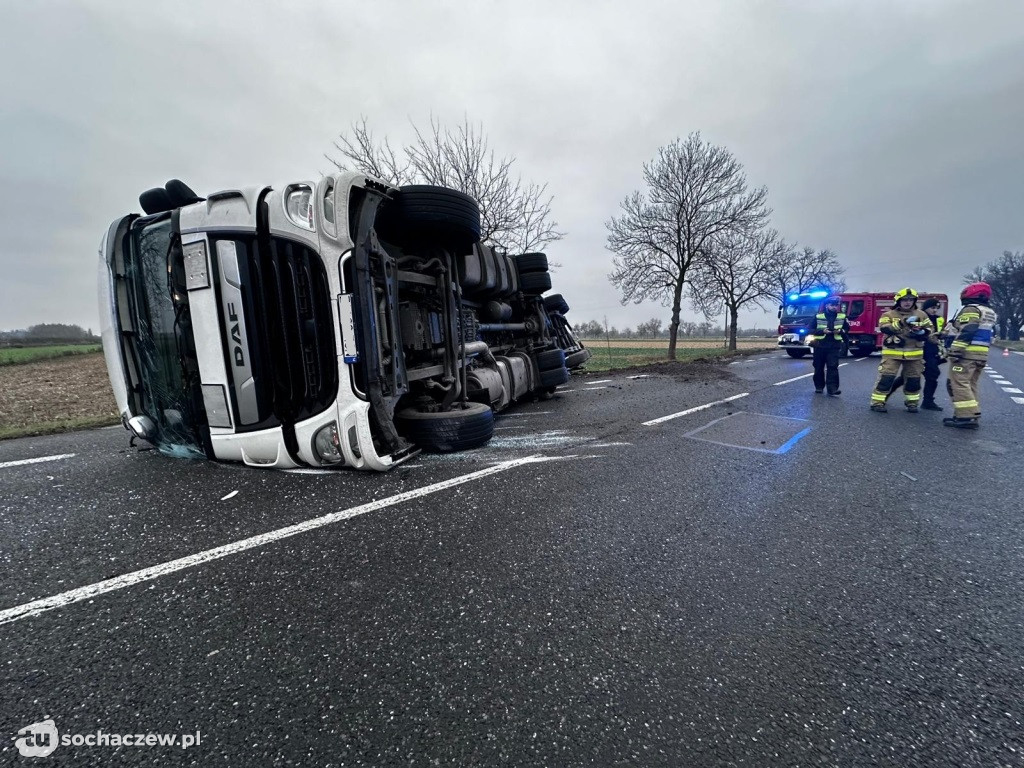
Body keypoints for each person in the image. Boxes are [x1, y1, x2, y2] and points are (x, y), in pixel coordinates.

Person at [940, 282, 998, 429]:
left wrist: (955, 350)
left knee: (958, 384)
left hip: (966, 355)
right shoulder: (988, 311)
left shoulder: (971, 309)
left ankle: (965, 417)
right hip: (980, 355)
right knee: (970, 385)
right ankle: (971, 414)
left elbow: (968, 330)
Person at [869, 287, 934, 413]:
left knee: (913, 379)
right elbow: (884, 328)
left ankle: (912, 403)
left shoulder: (921, 314)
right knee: (886, 378)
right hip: (892, 353)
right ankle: (877, 403)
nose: (907, 302)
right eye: (904, 300)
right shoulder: (888, 314)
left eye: (910, 300)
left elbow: (930, 329)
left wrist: (922, 332)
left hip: (914, 354)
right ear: (898, 301)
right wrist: (901, 323)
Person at [808, 296, 848, 396]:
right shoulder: (818, 316)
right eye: (832, 305)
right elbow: (810, 330)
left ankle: (832, 389)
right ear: (827, 306)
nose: (834, 307)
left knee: (833, 367)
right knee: (818, 367)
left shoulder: (842, 317)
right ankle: (819, 387)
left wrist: (840, 331)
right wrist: (822, 331)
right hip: (820, 345)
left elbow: (847, 329)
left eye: (836, 305)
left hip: (834, 345)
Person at [919, 298, 946, 410]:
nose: (935, 310)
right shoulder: (919, 318)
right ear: (925, 308)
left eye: (936, 308)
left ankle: (928, 401)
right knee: (908, 376)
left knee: (933, 375)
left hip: (933, 351)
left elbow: (941, 334)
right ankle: (884, 395)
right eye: (932, 308)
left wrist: (944, 333)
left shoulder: (939, 319)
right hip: (920, 350)